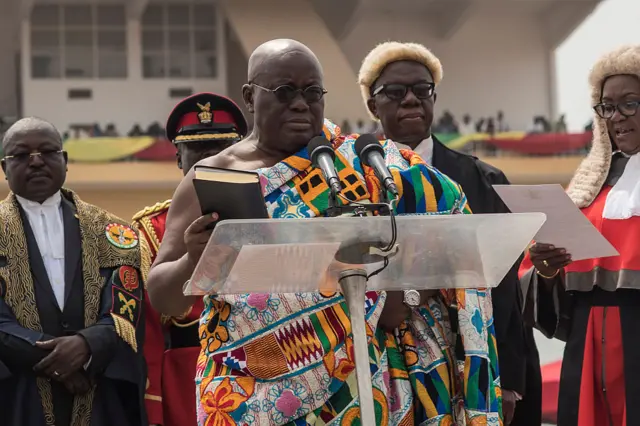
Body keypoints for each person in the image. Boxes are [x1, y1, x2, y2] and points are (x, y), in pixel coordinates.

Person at [146, 38, 499, 425]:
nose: (301, 103)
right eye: (284, 92)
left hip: (356, 386)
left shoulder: (362, 163)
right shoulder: (214, 175)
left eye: (312, 92)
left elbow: (454, 230)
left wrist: (403, 294)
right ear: (249, 96)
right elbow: (164, 297)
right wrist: (194, 259)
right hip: (247, 391)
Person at [358, 41, 540, 425]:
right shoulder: (351, 182)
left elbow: (504, 285)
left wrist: (505, 378)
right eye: (394, 92)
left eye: (421, 90)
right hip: (380, 360)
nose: (410, 100)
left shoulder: (481, 180)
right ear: (373, 105)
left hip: (468, 362)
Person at [520, 44, 640, 426]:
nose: (616, 117)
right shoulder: (589, 189)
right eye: (606, 107)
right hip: (586, 345)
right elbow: (541, 287)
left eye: (630, 103)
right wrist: (546, 269)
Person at [0, 117, 148, 425]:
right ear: (4, 167)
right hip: (17, 393)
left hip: (98, 392)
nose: (36, 161)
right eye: (22, 155)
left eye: (48, 151)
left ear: (65, 161)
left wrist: (87, 346)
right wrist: (59, 361)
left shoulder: (113, 231)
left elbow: (124, 312)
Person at [133, 92, 248, 426]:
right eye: (197, 153)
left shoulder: (271, 215)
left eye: (222, 151)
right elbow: (149, 334)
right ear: (179, 159)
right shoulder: (151, 231)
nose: (210, 162)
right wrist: (152, 409)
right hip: (187, 382)